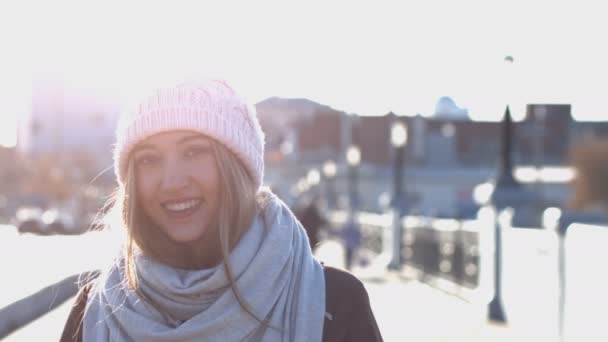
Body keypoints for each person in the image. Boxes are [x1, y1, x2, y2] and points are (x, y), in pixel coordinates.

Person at [60, 79, 382, 342]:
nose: (171, 181)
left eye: (193, 151)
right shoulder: (96, 310)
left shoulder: (334, 303)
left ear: (237, 167)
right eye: (149, 159)